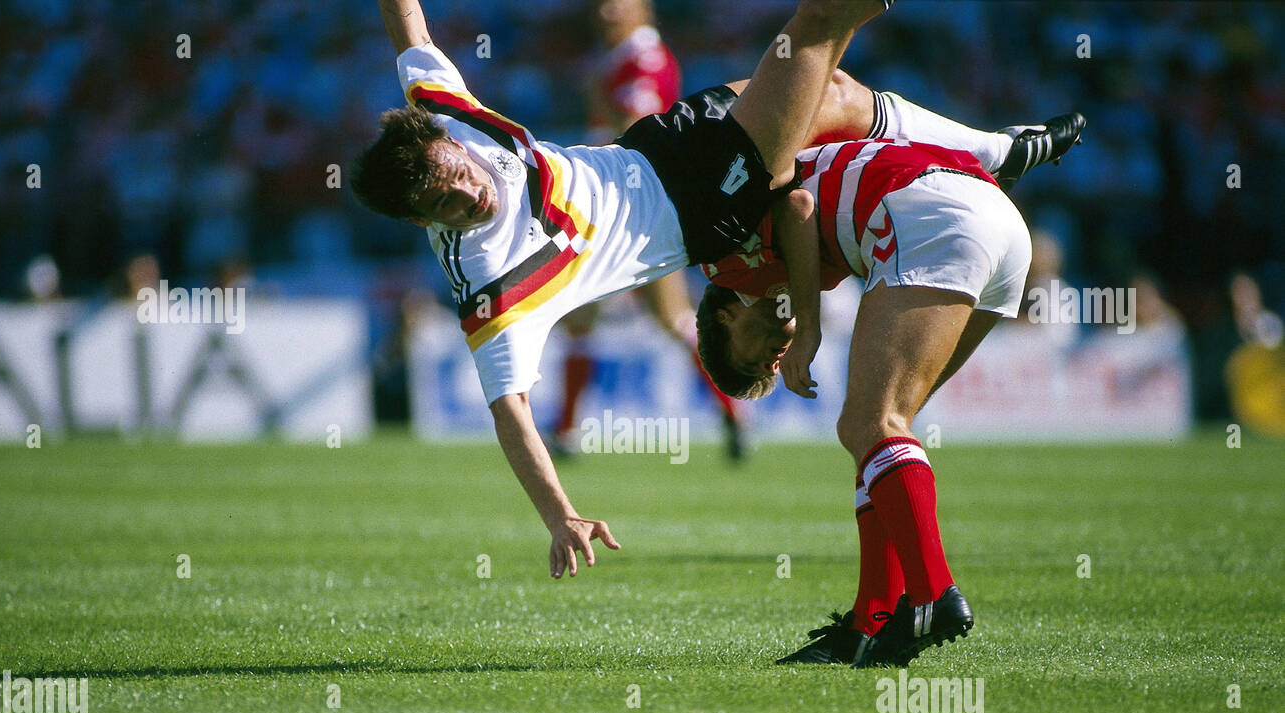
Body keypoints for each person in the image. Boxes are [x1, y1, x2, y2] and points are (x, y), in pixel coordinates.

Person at [350, 0, 1083, 580]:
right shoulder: (488, 281)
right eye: (447, 206)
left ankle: (997, 150)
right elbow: (508, 411)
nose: (469, 195)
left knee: (832, 87)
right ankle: (996, 152)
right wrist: (559, 514)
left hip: (659, 144)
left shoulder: (438, 111)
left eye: (459, 175)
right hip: (703, 204)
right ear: (424, 221)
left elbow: (405, 26)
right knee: (819, 25)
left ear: (440, 139)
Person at [694, 127, 1084, 667]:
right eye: (772, 364)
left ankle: (932, 596)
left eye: (757, 356)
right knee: (881, 429)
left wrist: (808, 328)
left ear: (726, 314)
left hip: (933, 212)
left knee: (867, 425)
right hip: (998, 226)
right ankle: (870, 619)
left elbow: (799, 207)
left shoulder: (720, 260)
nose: (775, 354)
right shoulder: (768, 276)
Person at [550, 0, 750, 461]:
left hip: (637, 208)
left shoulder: (644, 60)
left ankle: (733, 410)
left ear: (642, 8)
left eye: (615, 4)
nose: (604, 13)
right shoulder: (616, 58)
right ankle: (564, 430)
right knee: (587, 316)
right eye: (599, 6)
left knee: (667, 317)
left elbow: (635, 127)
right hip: (614, 204)